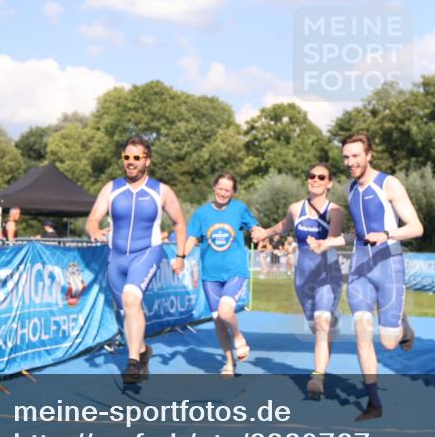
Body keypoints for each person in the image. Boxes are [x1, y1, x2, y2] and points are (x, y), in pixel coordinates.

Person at [318, 133, 423, 421]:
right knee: (362, 335)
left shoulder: (388, 185)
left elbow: (416, 227)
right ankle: (374, 403)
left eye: (355, 156)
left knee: (389, 342)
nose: (350, 162)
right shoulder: (351, 189)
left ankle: (404, 327)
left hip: (388, 265)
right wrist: (332, 241)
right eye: (346, 157)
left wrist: (388, 234)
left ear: (369, 155)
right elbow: (358, 234)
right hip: (360, 268)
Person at [86, 136, 187, 384]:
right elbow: (92, 219)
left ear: (147, 161)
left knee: (132, 298)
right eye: (126, 157)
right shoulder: (111, 188)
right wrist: (94, 231)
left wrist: (180, 255)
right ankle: (142, 351)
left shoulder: (161, 191)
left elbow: (179, 222)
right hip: (116, 258)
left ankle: (132, 363)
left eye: (136, 157)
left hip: (147, 253)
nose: (130, 162)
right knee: (128, 310)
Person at [253, 162, 344, 399]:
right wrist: (265, 233)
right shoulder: (296, 208)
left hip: (327, 273)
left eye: (321, 177)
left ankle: (317, 377)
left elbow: (334, 236)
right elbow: (283, 226)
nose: (315, 179)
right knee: (318, 327)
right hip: (303, 277)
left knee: (322, 322)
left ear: (329, 183)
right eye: (311, 175)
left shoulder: (335, 211)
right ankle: (323, 354)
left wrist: (322, 244)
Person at [183, 173, 264, 378]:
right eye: (220, 188)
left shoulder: (238, 209)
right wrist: (180, 256)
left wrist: (257, 231)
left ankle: (238, 337)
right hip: (210, 275)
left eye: (227, 190)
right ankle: (229, 363)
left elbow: (253, 226)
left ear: (233, 192)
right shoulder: (201, 214)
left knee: (226, 312)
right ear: (214, 188)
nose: (223, 193)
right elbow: (192, 237)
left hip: (234, 270)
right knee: (218, 320)